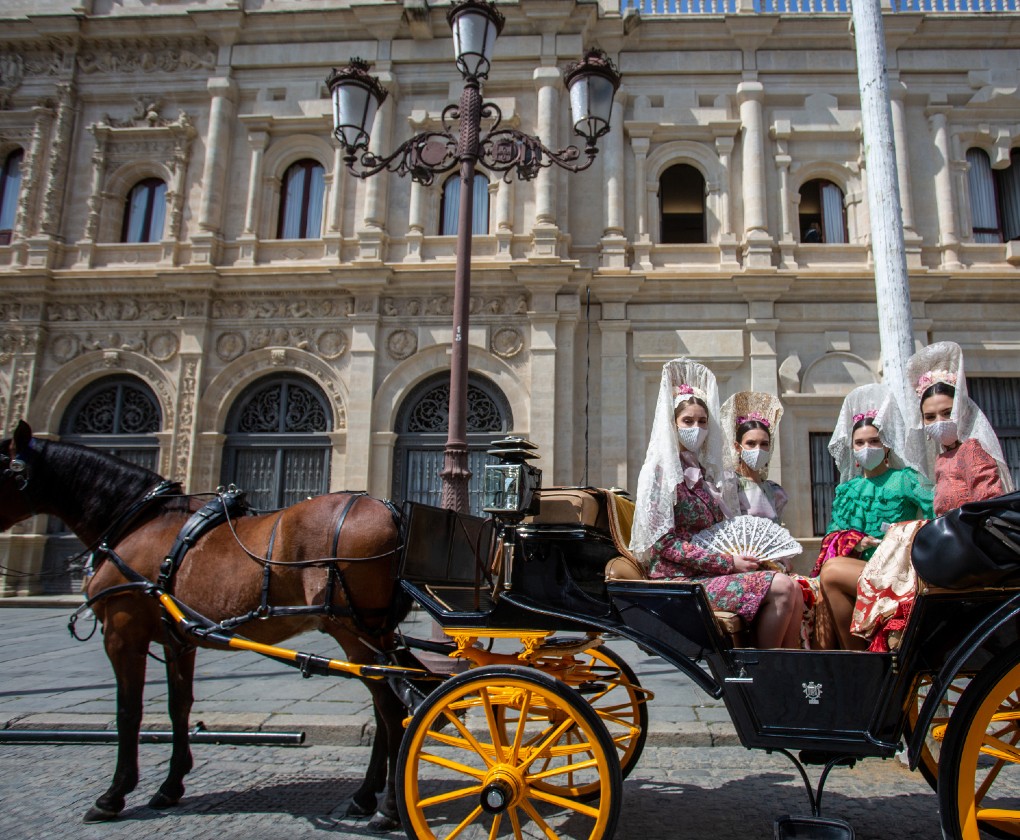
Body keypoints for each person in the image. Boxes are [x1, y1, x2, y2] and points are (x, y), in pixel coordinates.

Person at [630, 359, 803, 649]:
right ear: (672, 425)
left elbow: (721, 532)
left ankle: (788, 668)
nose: (696, 428)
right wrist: (728, 562)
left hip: (708, 574)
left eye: (702, 421)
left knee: (794, 587)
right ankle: (763, 670)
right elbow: (664, 544)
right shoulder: (659, 473)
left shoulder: (706, 476)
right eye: (688, 421)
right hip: (678, 580)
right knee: (783, 589)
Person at [851, 343, 1013, 650]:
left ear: (961, 412)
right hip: (952, 546)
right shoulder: (941, 460)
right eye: (930, 416)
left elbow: (986, 507)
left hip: (971, 550)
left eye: (946, 412)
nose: (939, 421)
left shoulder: (973, 451)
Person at [814, 383, 934, 650]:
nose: (867, 447)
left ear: (887, 445)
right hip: (859, 570)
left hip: (897, 571)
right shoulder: (846, 490)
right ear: (853, 449)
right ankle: (848, 660)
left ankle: (858, 659)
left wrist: (905, 537)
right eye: (860, 442)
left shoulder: (906, 479)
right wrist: (854, 541)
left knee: (831, 572)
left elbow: (935, 514)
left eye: (874, 441)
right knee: (826, 578)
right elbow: (832, 538)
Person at [720, 391, 788, 524]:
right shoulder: (729, 484)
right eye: (751, 443)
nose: (758, 449)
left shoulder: (775, 491)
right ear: (738, 447)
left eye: (764, 444)